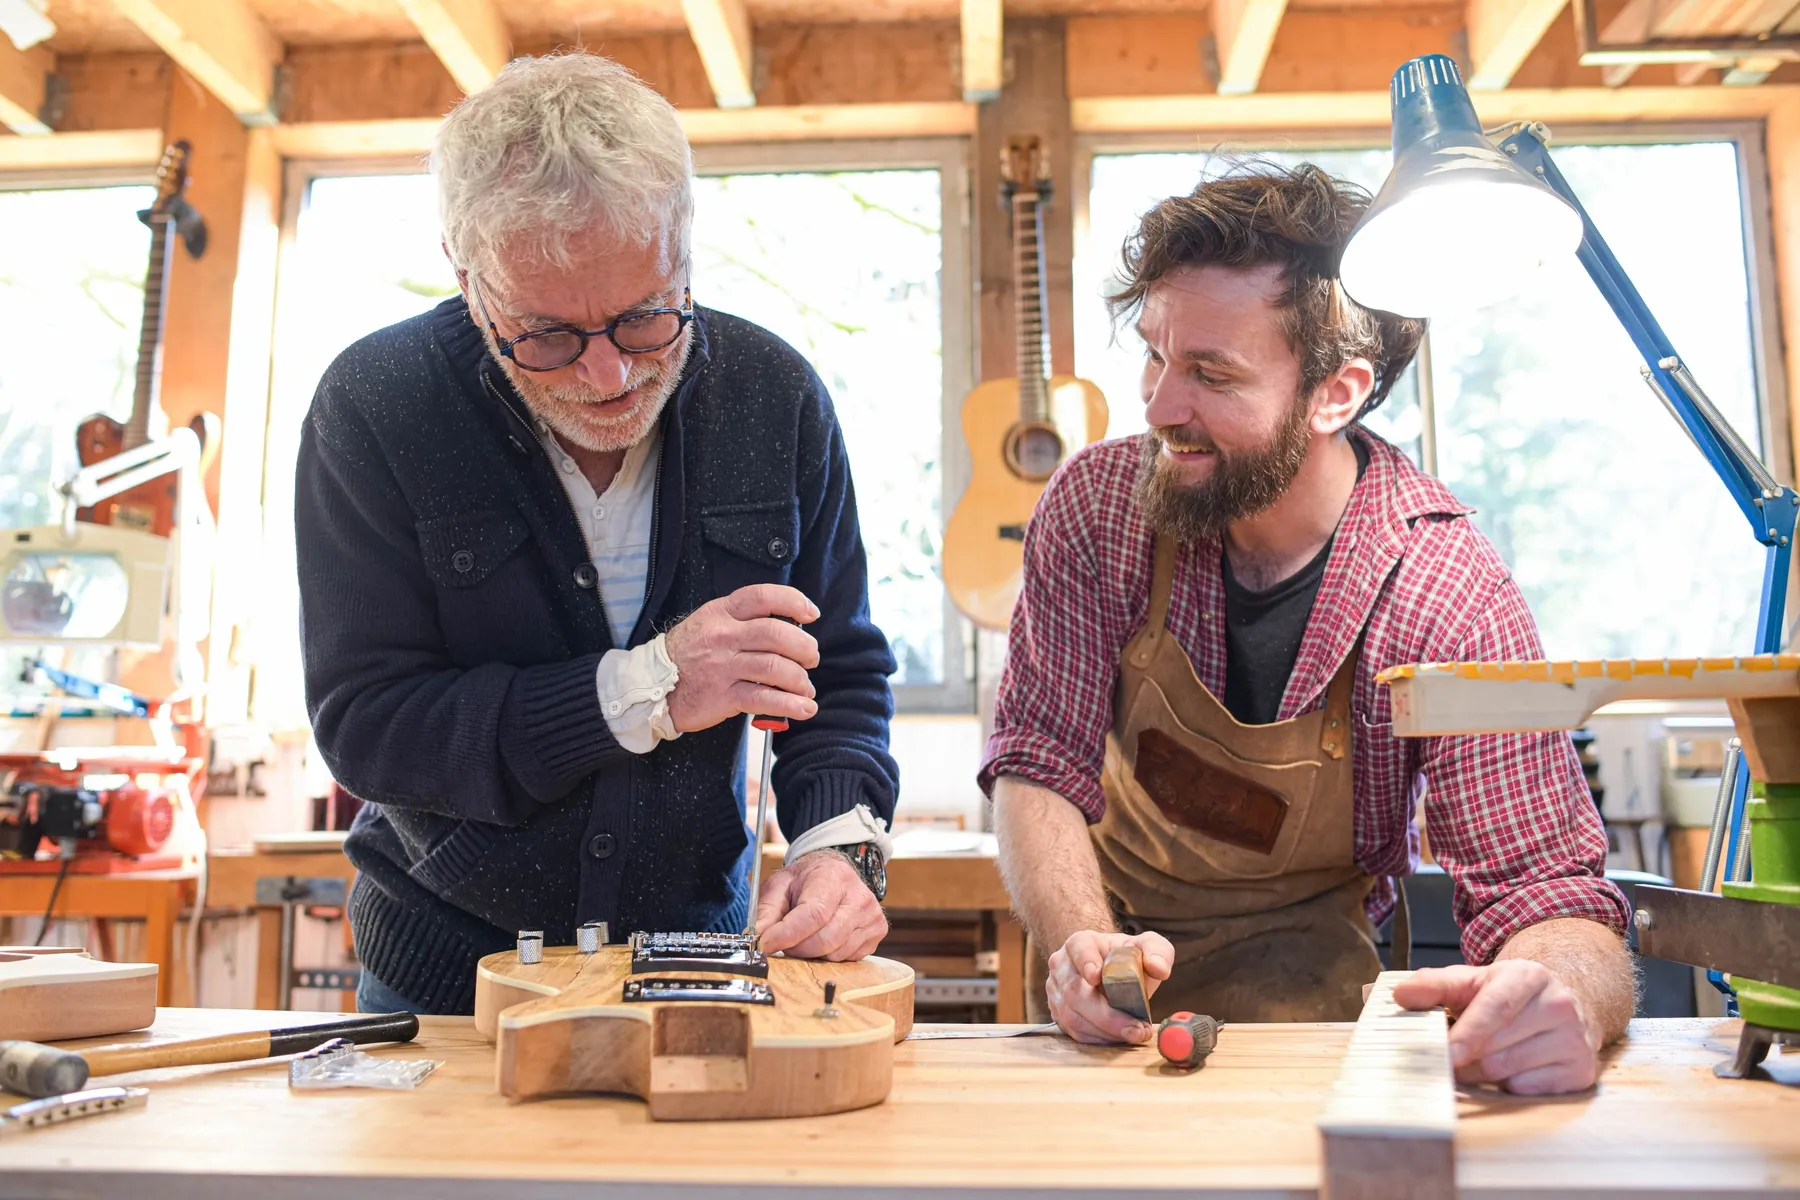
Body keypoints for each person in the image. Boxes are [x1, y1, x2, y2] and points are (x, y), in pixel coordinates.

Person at [982, 162, 1634, 1095]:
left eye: (1211, 373)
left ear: (1337, 393)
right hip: (1099, 1005)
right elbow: (1038, 758)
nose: (1162, 406)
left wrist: (1564, 993)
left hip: (1314, 1024)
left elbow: (1543, 888)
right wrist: (1081, 942)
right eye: (1158, 355)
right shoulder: (1099, 509)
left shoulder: (1444, 591)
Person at [295, 54, 897, 1016]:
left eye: (646, 318)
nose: (610, 377)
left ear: (686, 250)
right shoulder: (376, 406)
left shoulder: (775, 397)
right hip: (446, 980)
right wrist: (649, 688)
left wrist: (840, 849)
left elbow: (839, 675)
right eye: (546, 336)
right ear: (468, 276)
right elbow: (368, 729)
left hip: (699, 965)